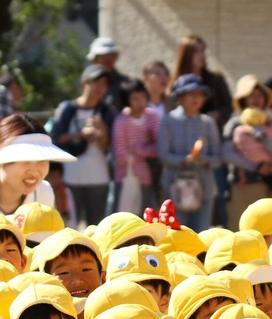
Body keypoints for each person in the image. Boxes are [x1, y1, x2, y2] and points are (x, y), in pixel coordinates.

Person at [51, 64, 115, 228]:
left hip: (99, 176)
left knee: (98, 226)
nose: (100, 87)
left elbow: (109, 146)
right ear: (85, 82)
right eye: (96, 82)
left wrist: (102, 132)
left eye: (104, 84)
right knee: (69, 225)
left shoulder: (107, 111)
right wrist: (81, 135)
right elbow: (56, 139)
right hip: (71, 175)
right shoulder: (67, 108)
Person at [223, 76, 272, 228]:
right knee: (239, 230)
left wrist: (261, 134)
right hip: (242, 186)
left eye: (260, 95)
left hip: (269, 186)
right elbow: (226, 153)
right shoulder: (235, 124)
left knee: (268, 231)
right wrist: (256, 167)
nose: (257, 99)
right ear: (243, 100)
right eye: (252, 95)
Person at [159, 74, 221, 232]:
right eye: (191, 93)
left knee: (202, 234)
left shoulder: (208, 123)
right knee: (176, 233)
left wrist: (203, 160)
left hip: (204, 187)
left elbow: (218, 157)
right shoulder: (168, 121)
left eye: (200, 94)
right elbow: (163, 155)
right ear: (180, 97)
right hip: (175, 187)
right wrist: (184, 160)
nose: (196, 98)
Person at [112, 78, 161, 213]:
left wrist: (136, 149)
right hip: (126, 179)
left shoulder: (152, 117)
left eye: (143, 97)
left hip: (148, 180)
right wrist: (146, 150)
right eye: (135, 98)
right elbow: (121, 157)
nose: (140, 102)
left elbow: (158, 149)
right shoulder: (121, 121)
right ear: (127, 100)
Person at [174, 33, 234, 126]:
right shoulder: (175, 82)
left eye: (203, 51)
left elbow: (228, 106)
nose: (201, 55)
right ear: (186, 54)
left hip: (211, 130)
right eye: (196, 51)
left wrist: (217, 114)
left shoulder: (216, 79)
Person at [86, 36, 132, 111]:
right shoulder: (88, 83)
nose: (108, 60)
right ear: (95, 60)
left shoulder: (126, 84)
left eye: (111, 56)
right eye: (103, 56)